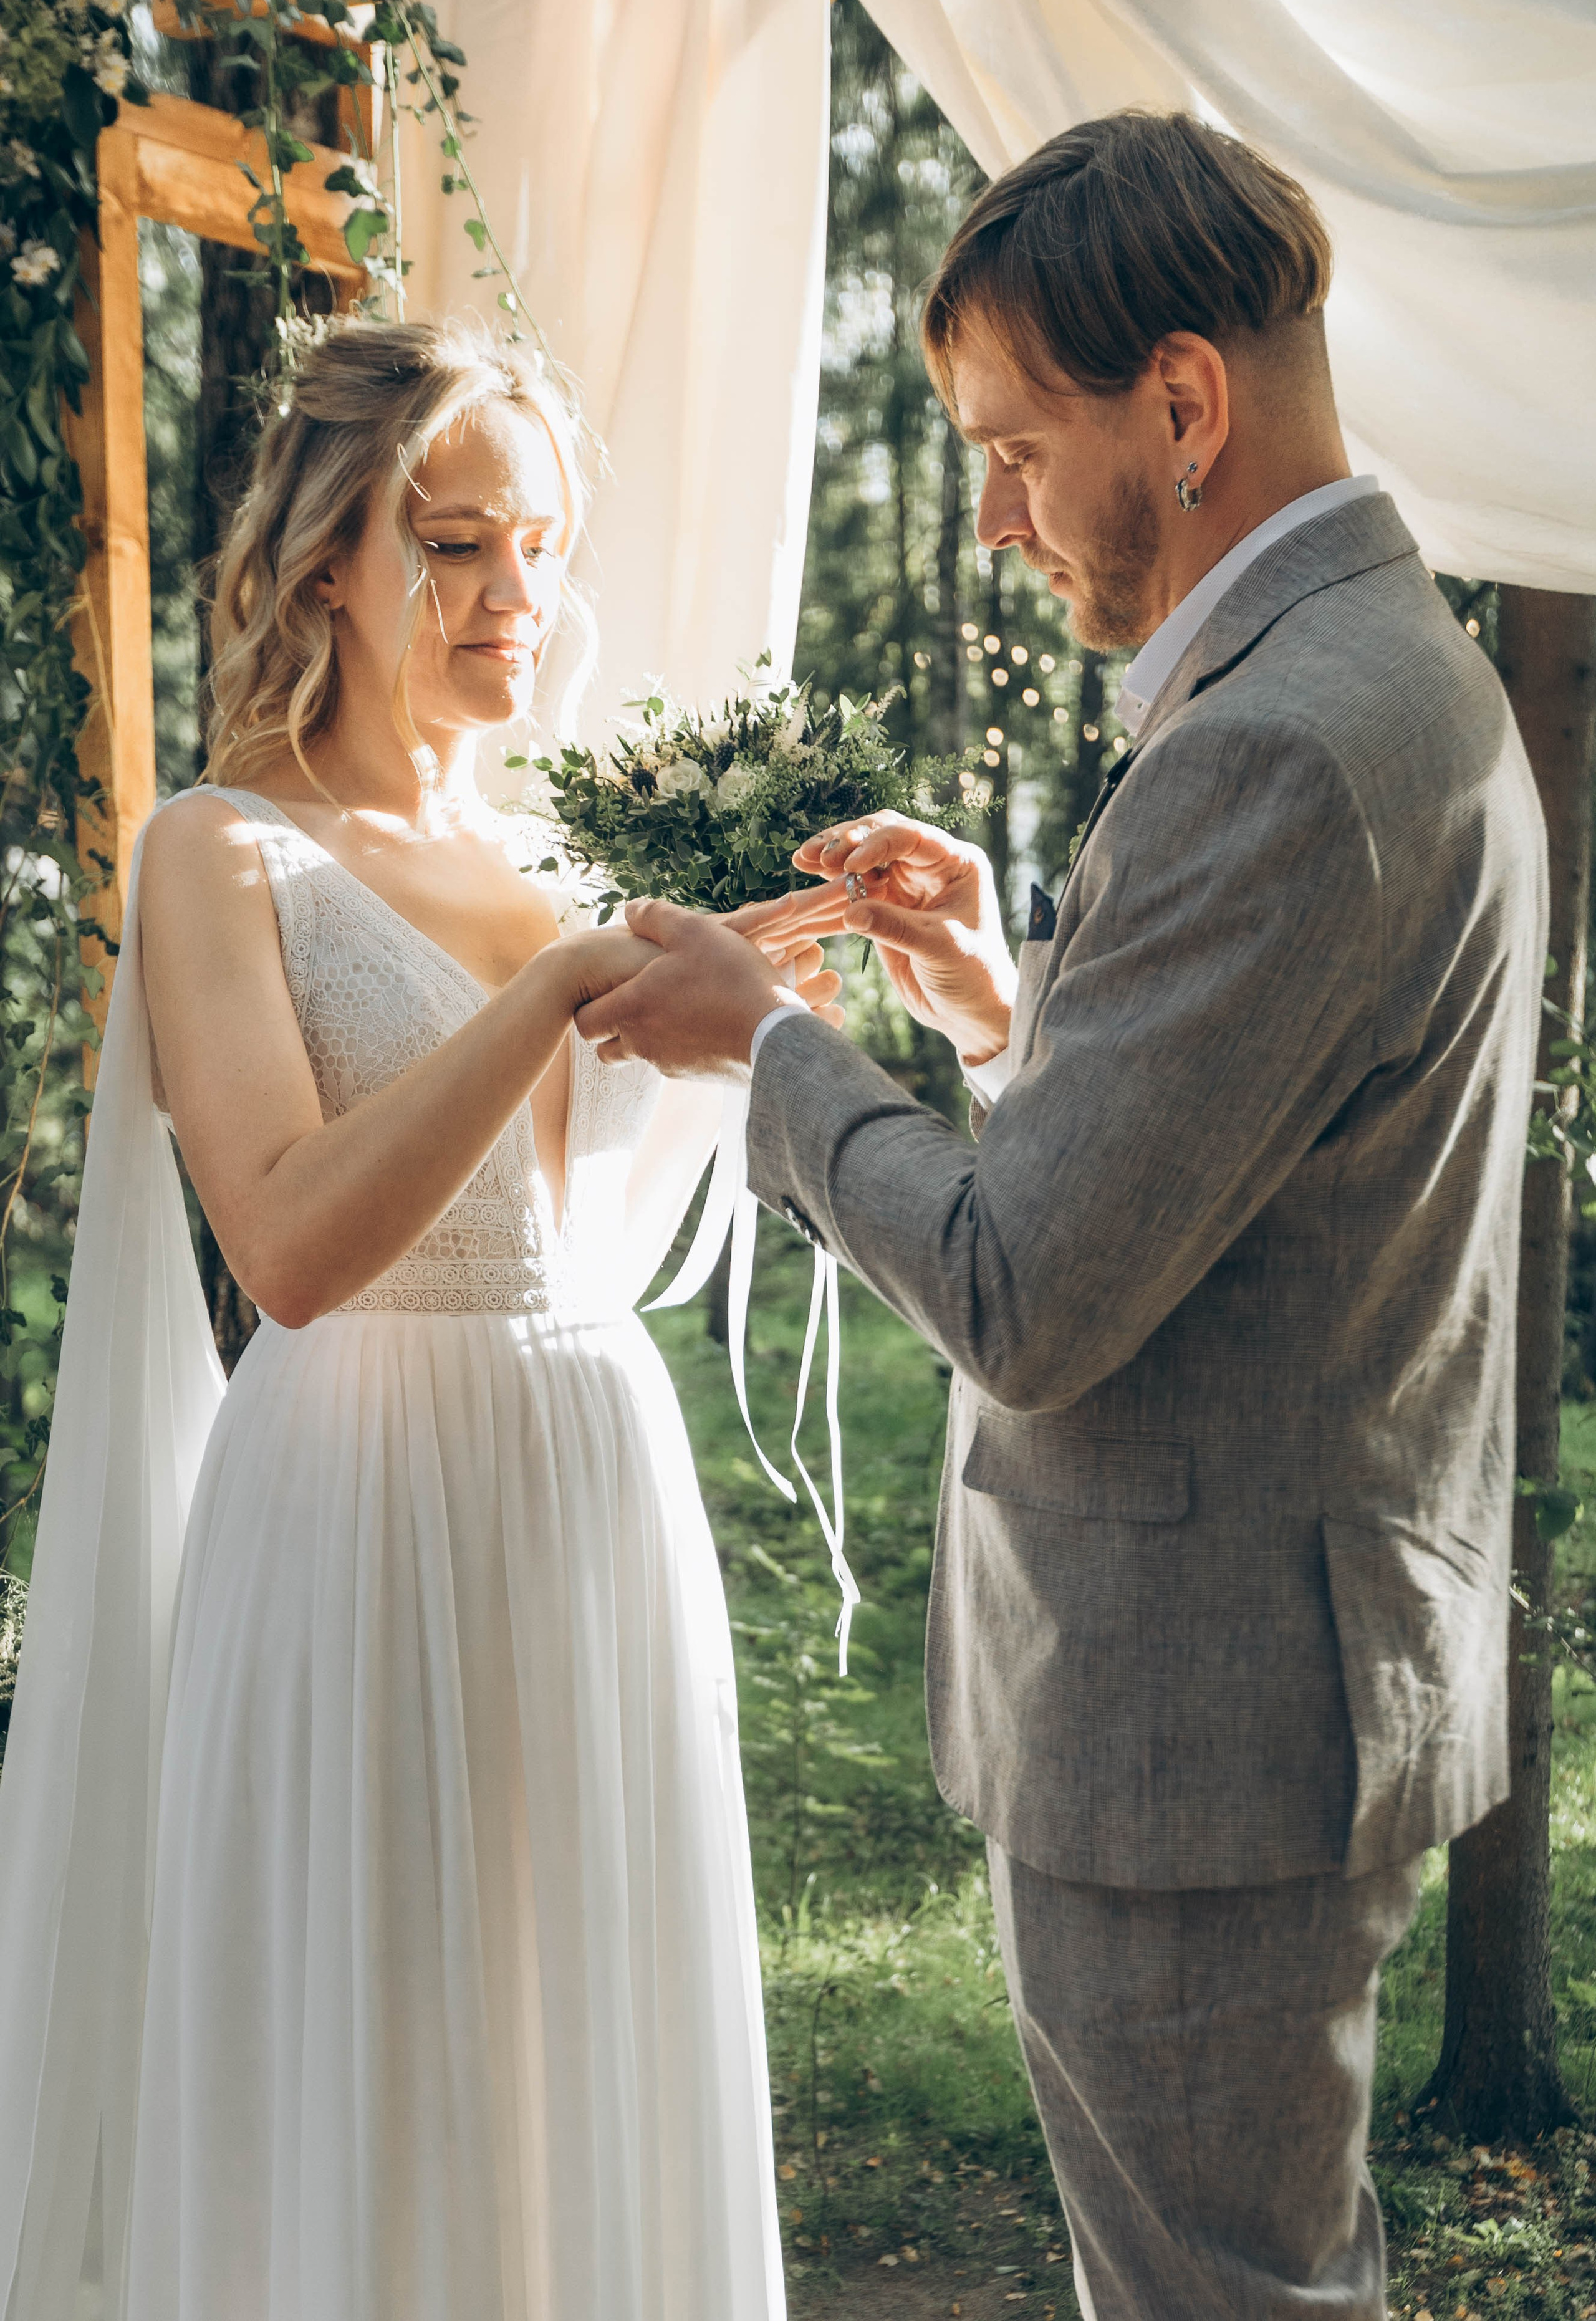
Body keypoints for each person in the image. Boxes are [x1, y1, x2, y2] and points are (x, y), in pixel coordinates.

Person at [575, 112, 1550, 2319]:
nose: (998, 515)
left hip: (1198, 1723)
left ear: (1185, 406)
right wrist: (1010, 1009)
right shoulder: (1402, 676)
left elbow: (1023, 1294)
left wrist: (766, 1048)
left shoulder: (1279, 746)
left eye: (1019, 448)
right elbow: (1234, 1184)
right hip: (1287, 1675)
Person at [0, 317, 837, 2321]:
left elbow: (619, 1198)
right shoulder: (223, 853)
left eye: (538, 545)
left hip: (587, 1487)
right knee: (374, 2060)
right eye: (457, 544)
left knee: (574, 2047)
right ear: (325, 570)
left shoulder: (548, 852)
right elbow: (287, 1247)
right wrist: (549, 995)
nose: (515, 597)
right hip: (357, 1510)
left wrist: (765, 1001)